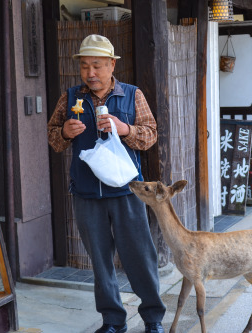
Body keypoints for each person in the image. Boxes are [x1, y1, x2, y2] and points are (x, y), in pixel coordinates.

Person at [47, 34, 165, 333]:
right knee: (100, 262)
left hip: (128, 191)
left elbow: (150, 135)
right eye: (85, 66)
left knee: (140, 256)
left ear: (112, 65)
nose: (90, 73)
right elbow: (54, 140)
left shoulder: (131, 94)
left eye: (97, 66)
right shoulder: (71, 96)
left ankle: (153, 319)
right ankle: (113, 322)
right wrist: (65, 132)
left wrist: (124, 128)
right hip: (86, 192)